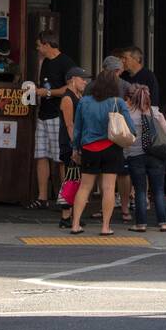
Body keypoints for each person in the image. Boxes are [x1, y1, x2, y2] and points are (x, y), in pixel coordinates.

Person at [69, 67, 136, 235]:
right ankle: (105, 226)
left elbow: (77, 129)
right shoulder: (118, 102)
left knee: (84, 187)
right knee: (108, 188)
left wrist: (76, 148)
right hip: (111, 148)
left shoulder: (84, 101)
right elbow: (131, 128)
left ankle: (75, 224)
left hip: (89, 148)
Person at [31, 31, 75, 210]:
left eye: (39, 45)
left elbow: (71, 86)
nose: (37, 48)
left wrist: (48, 92)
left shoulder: (66, 62)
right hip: (43, 113)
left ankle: (65, 197)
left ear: (47, 44)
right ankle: (42, 197)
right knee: (41, 155)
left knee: (62, 158)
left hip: (59, 113)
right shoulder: (44, 62)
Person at [124, 82, 166, 231]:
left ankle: (141, 224)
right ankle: (163, 222)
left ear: (131, 98)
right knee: (158, 189)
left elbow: (124, 137)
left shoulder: (127, 114)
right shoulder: (155, 112)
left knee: (140, 190)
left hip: (135, 155)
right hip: (156, 155)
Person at [57, 67, 90, 228]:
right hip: (70, 144)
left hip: (78, 143)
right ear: (72, 79)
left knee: (77, 180)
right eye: (82, 78)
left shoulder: (80, 96)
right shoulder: (68, 98)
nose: (85, 81)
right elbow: (70, 125)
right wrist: (75, 148)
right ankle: (65, 216)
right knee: (70, 178)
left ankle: (72, 215)